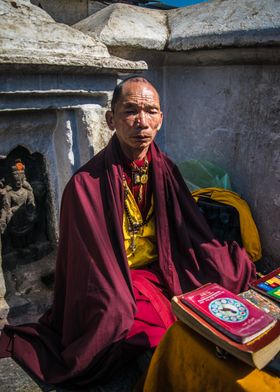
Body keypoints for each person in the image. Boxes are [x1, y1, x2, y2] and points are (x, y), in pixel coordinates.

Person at [0, 77, 256, 388]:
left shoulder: (166, 169)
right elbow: (89, 266)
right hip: (119, 274)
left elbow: (188, 227)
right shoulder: (85, 184)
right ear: (111, 119)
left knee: (228, 269)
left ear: (161, 119)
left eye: (151, 111)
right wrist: (118, 290)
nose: (142, 122)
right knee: (122, 316)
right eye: (131, 111)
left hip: (165, 264)